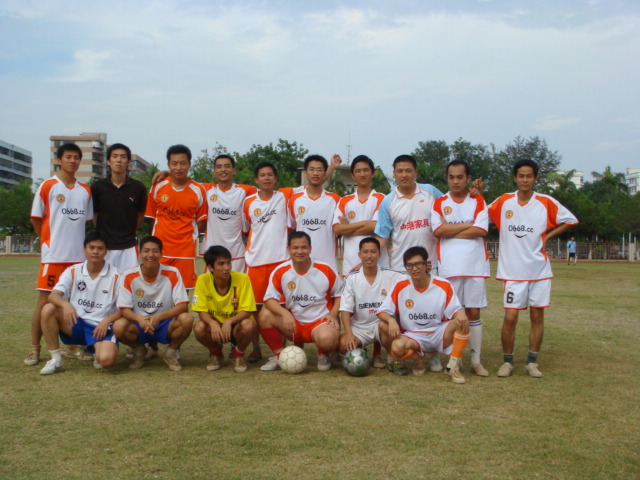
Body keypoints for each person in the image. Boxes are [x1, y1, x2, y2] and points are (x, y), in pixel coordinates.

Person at [488, 159, 578, 378]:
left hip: (539, 270)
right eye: (521, 175)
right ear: (515, 178)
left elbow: (570, 219)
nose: (525, 180)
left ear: (535, 178)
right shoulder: (504, 201)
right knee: (510, 317)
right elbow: (482, 213)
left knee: (537, 316)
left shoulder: (545, 202)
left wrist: (548, 235)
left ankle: (532, 362)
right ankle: (508, 361)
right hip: (513, 271)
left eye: (529, 176)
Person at [373, 154, 444, 371]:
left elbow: (450, 208)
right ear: (393, 174)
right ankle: (400, 354)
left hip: (430, 265)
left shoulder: (431, 192)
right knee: (400, 315)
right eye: (400, 171)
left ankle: (432, 354)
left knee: (432, 312)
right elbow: (382, 235)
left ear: (416, 172)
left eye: (408, 170)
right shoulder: (388, 201)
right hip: (400, 269)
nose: (404, 175)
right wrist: (369, 258)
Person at [25, 143, 94, 366]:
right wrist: (48, 243)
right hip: (54, 257)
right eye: (68, 157)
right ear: (59, 160)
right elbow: (36, 218)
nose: (72, 161)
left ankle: (73, 346)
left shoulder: (85, 191)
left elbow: (86, 221)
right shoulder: (48, 186)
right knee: (45, 302)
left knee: (75, 303)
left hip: (78, 258)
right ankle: (35, 349)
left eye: (76, 157)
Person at [376, 246, 470, 384]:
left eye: (418, 264)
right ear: (406, 267)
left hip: (438, 333)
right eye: (410, 265)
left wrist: (460, 313)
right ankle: (417, 358)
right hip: (413, 336)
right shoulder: (401, 285)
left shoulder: (443, 285)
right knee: (396, 346)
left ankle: (453, 367)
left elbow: (456, 310)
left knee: (462, 321)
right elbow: (382, 311)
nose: (414, 268)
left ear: (426, 264)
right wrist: (391, 320)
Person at [431, 160, 490, 377]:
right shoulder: (439, 203)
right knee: (453, 315)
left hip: (475, 266)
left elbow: (481, 230)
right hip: (449, 267)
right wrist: (469, 224)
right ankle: (456, 359)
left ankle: (476, 361)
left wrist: (451, 229)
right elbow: (438, 230)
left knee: (473, 312)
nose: (455, 181)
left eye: (460, 177)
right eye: (451, 177)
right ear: (447, 178)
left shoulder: (478, 201)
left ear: (467, 178)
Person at [257, 231, 343, 371]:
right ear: (288, 249)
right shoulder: (281, 271)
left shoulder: (325, 269)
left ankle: (323, 353)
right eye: (295, 248)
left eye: (304, 247)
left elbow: (340, 294)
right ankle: (279, 356)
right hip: (293, 323)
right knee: (264, 315)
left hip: (319, 322)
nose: (300, 251)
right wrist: (284, 313)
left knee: (328, 339)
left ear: (310, 249)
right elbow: (269, 299)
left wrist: (333, 315)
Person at [39, 232, 121, 375]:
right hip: (76, 323)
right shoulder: (73, 271)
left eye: (100, 248)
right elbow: (53, 295)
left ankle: (96, 351)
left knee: (107, 361)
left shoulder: (117, 276)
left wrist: (107, 320)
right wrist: (66, 305)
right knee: (48, 309)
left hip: (100, 328)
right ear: (84, 250)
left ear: (106, 251)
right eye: (91, 247)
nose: (95, 251)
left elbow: (125, 308)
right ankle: (56, 359)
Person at [113, 236, 193, 371]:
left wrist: (159, 317)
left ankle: (171, 353)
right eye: (146, 251)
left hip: (164, 323)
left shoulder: (172, 273)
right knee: (118, 326)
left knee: (187, 319)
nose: (150, 255)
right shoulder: (128, 275)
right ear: (139, 254)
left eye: (155, 251)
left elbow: (182, 305)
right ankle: (139, 350)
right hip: (139, 323)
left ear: (161, 254)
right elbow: (124, 309)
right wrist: (139, 319)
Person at [145, 144, 207, 290]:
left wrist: (187, 235)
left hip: (185, 251)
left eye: (183, 163)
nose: (178, 168)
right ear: (168, 165)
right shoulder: (158, 186)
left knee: (183, 292)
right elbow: (151, 217)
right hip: (161, 249)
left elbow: (201, 222)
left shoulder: (198, 190)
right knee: (157, 290)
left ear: (189, 164)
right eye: (174, 163)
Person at [338, 237, 406, 369]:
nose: (369, 256)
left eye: (373, 252)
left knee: (386, 325)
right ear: (359, 255)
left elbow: (413, 277)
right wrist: (349, 335)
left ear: (379, 254)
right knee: (342, 345)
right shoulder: (352, 279)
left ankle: (392, 356)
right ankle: (361, 349)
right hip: (360, 327)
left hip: (380, 325)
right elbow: (345, 310)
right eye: (365, 252)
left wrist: (424, 270)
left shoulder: (391, 275)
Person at [192, 246, 258, 373]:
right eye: (221, 264)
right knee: (199, 327)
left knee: (249, 325)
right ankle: (216, 354)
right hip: (215, 327)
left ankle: (238, 355)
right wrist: (212, 323)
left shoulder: (243, 278)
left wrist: (229, 321)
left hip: (236, 326)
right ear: (211, 267)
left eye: (228, 263)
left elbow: (248, 310)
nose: (226, 268)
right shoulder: (202, 280)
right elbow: (201, 311)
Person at [91, 143, 147, 272]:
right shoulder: (97, 187)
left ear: (128, 162)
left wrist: (127, 232)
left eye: (123, 157)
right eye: (115, 156)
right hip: (104, 246)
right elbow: (94, 215)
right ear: (108, 161)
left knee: (128, 281)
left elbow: (140, 216)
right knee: (104, 281)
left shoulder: (138, 188)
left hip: (128, 247)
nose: (119, 160)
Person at [332, 155, 387, 275]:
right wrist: (366, 223)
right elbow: (337, 229)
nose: (362, 174)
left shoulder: (382, 199)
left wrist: (347, 229)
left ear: (373, 173)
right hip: (350, 265)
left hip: (378, 266)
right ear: (352, 175)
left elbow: (375, 226)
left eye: (366, 170)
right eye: (358, 171)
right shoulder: (344, 201)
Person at [289, 155, 340, 271]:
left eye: (319, 170)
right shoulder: (295, 199)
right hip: (302, 262)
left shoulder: (335, 199)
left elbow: (339, 229)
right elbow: (291, 228)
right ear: (306, 172)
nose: (315, 173)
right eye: (312, 169)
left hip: (328, 263)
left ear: (324, 173)